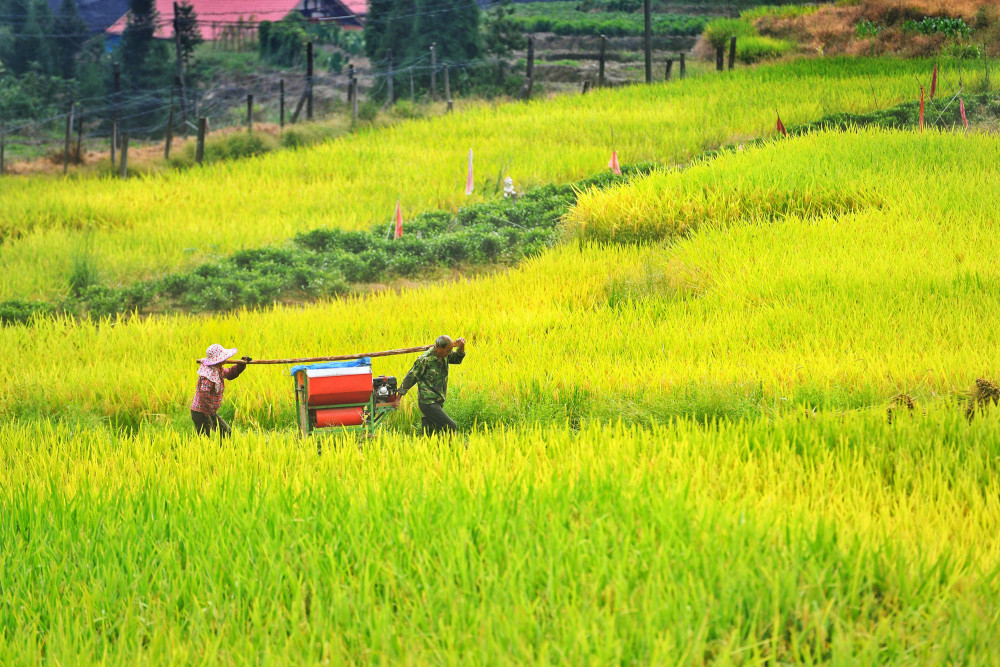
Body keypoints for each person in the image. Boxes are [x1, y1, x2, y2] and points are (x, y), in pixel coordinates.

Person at [398, 335, 466, 434]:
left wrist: (461, 346)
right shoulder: (425, 359)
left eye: (450, 350)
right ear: (438, 348)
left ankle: (433, 448)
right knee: (450, 426)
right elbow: (410, 378)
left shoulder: (445, 355)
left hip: (438, 400)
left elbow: (457, 359)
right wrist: (398, 397)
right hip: (428, 402)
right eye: (447, 351)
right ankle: (453, 448)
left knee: (430, 433)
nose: (449, 353)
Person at [190, 343, 251, 438]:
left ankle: (225, 451)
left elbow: (230, 374)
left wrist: (241, 364)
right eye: (223, 357)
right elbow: (204, 396)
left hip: (209, 411)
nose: (225, 359)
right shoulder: (208, 375)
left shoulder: (218, 369)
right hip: (201, 412)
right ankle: (202, 452)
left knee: (226, 432)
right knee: (204, 439)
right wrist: (209, 415)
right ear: (217, 360)